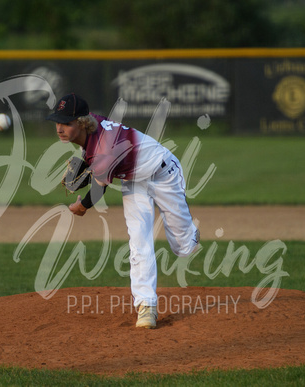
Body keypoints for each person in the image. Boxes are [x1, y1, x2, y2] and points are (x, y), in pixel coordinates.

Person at [47, 93, 200, 329]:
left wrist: (80, 207)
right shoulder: (93, 125)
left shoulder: (104, 149)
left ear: (82, 123)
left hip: (163, 173)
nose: (60, 128)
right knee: (139, 239)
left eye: (66, 122)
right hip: (133, 181)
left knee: (183, 248)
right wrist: (87, 163)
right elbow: (92, 152)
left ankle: (190, 234)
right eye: (58, 122)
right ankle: (146, 306)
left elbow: (97, 193)